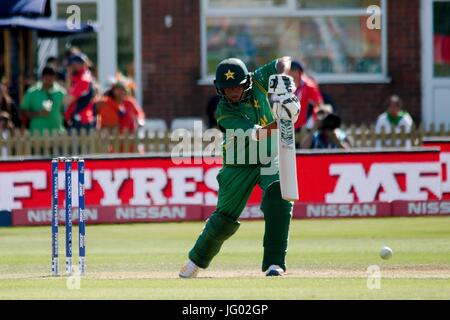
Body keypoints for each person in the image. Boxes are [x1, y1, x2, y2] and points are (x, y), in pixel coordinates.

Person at [179, 57, 300, 278]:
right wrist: (285, 118)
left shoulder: (259, 79)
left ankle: (275, 264)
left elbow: (284, 60)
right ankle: (194, 262)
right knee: (223, 220)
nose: (232, 92)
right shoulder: (224, 112)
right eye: (227, 89)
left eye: (236, 86)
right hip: (238, 164)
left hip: (268, 157)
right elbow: (259, 133)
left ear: (246, 83)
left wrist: (282, 77)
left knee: (279, 198)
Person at [21, 66, 66, 135]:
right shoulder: (32, 92)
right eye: (46, 79)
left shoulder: (61, 92)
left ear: (55, 78)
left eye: (51, 79)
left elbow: (64, 111)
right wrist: (39, 113)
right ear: (42, 78)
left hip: (57, 133)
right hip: (37, 134)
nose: (48, 82)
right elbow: (23, 111)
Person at [64, 54, 97, 133]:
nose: (72, 67)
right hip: (79, 119)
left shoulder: (83, 79)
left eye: (75, 64)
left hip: (82, 121)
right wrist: (68, 77)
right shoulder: (79, 78)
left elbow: (66, 101)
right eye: (71, 65)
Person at [288, 60, 324, 131]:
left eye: (293, 70)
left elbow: (319, 105)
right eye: (289, 71)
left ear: (300, 72)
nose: (290, 73)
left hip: (306, 126)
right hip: (290, 126)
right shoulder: (286, 86)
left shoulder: (309, 86)